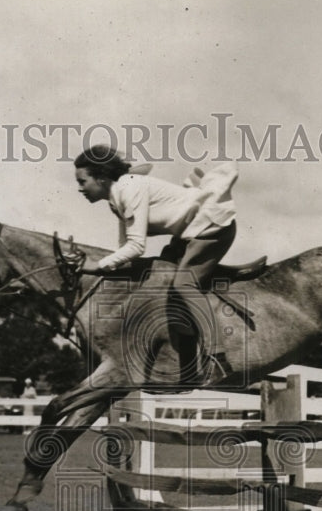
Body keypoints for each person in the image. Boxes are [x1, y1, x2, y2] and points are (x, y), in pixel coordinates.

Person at [74, 145, 238, 383]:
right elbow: (125, 250)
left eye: (82, 181)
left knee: (184, 285)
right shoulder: (116, 199)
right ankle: (188, 365)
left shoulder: (129, 189)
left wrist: (98, 266)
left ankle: (218, 358)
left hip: (211, 227)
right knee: (162, 286)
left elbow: (136, 247)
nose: (80, 189)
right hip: (188, 234)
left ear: (101, 178)